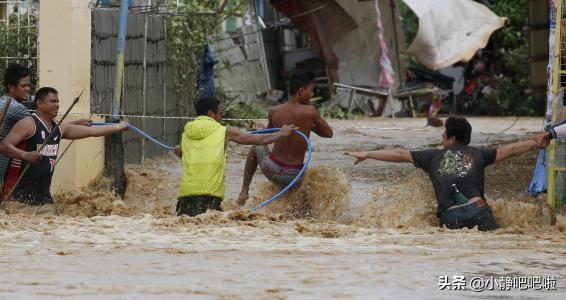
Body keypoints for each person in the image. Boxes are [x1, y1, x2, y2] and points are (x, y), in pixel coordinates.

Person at [344, 116, 549, 231]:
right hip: (480, 211)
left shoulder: (432, 157)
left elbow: (399, 154)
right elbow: (510, 150)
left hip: (452, 217)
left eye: (443, 135)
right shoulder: (479, 155)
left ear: (451, 139)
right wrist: (536, 140)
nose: (442, 138)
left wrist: (368, 153)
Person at [0, 87, 128, 210]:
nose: (57, 105)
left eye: (58, 102)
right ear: (39, 103)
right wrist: (25, 155)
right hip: (19, 200)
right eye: (52, 101)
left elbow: (92, 131)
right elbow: (4, 146)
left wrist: (118, 127)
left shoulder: (59, 127)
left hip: (44, 201)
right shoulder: (28, 123)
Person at [174, 96, 296, 217]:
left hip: (184, 198)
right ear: (210, 114)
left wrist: (178, 149)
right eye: (219, 114)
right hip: (209, 199)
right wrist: (281, 133)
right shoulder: (225, 131)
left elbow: (181, 153)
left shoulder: (186, 134)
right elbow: (258, 140)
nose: (220, 118)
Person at [237, 70, 333, 206]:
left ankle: (244, 190)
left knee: (257, 144)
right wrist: (309, 125)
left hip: (272, 169)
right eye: (310, 90)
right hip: (294, 177)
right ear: (301, 91)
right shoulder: (311, 112)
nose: (312, 94)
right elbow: (329, 134)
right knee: (301, 197)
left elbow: (268, 136)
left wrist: (261, 131)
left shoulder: (274, 111)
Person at [0, 64, 90, 183]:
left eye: (28, 85)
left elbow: (47, 125)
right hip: (6, 165)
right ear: (11, 87)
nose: (28, 89)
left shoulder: (2, 101)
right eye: (24, 85)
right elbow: (43, 125)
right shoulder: (16, 108)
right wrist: (75, 123)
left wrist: (75, 123)